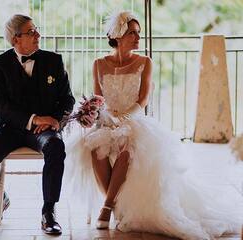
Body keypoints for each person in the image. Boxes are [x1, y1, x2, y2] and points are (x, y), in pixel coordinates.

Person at [65, 11, 243, 239]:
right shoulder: (99, 64)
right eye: (132, 33)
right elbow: (98, 100)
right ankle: (116, 205)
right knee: (93, 147)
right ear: (118, 36)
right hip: (107, 120)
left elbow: (143, 100)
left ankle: (107, 208)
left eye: (139, 33)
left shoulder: (145, 62)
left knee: (127, 150)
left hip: (133, 120)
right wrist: (94, 114)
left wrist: (123, 119)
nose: (138, 38)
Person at [0, 14, 75, 235]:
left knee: (56, 147)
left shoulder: (53, 61)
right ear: (15, 39)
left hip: (44, 130)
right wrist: (33, 119)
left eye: (36, 29)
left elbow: (67, 100)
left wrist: (56, 121)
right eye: (31, 32)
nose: (38, 34)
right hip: (8, 127)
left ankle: (49, 212)